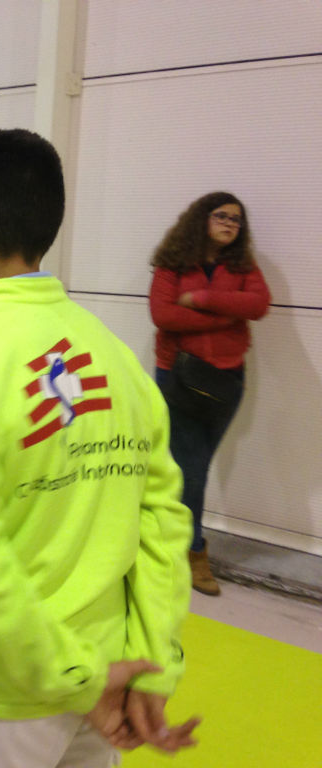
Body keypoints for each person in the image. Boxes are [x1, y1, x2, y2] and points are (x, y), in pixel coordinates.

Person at [0, 129, 199, 768]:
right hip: (103, 674)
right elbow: (164, 526)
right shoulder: (117, 358)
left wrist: (74, 677)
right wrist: (150, 665)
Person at [149, 192, 271, 596]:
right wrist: (227, 316)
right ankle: (193, 552)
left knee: (191, 468)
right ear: (201, 218)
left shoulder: (243, 265)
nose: (230, 223)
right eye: (221, 215)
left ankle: (169, 542)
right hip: (178, 377)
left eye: (236, 219)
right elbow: (163, 315)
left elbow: (259, 304)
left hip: (227, 381)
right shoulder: (172, 262)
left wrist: (201, 300)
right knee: (192, 469)